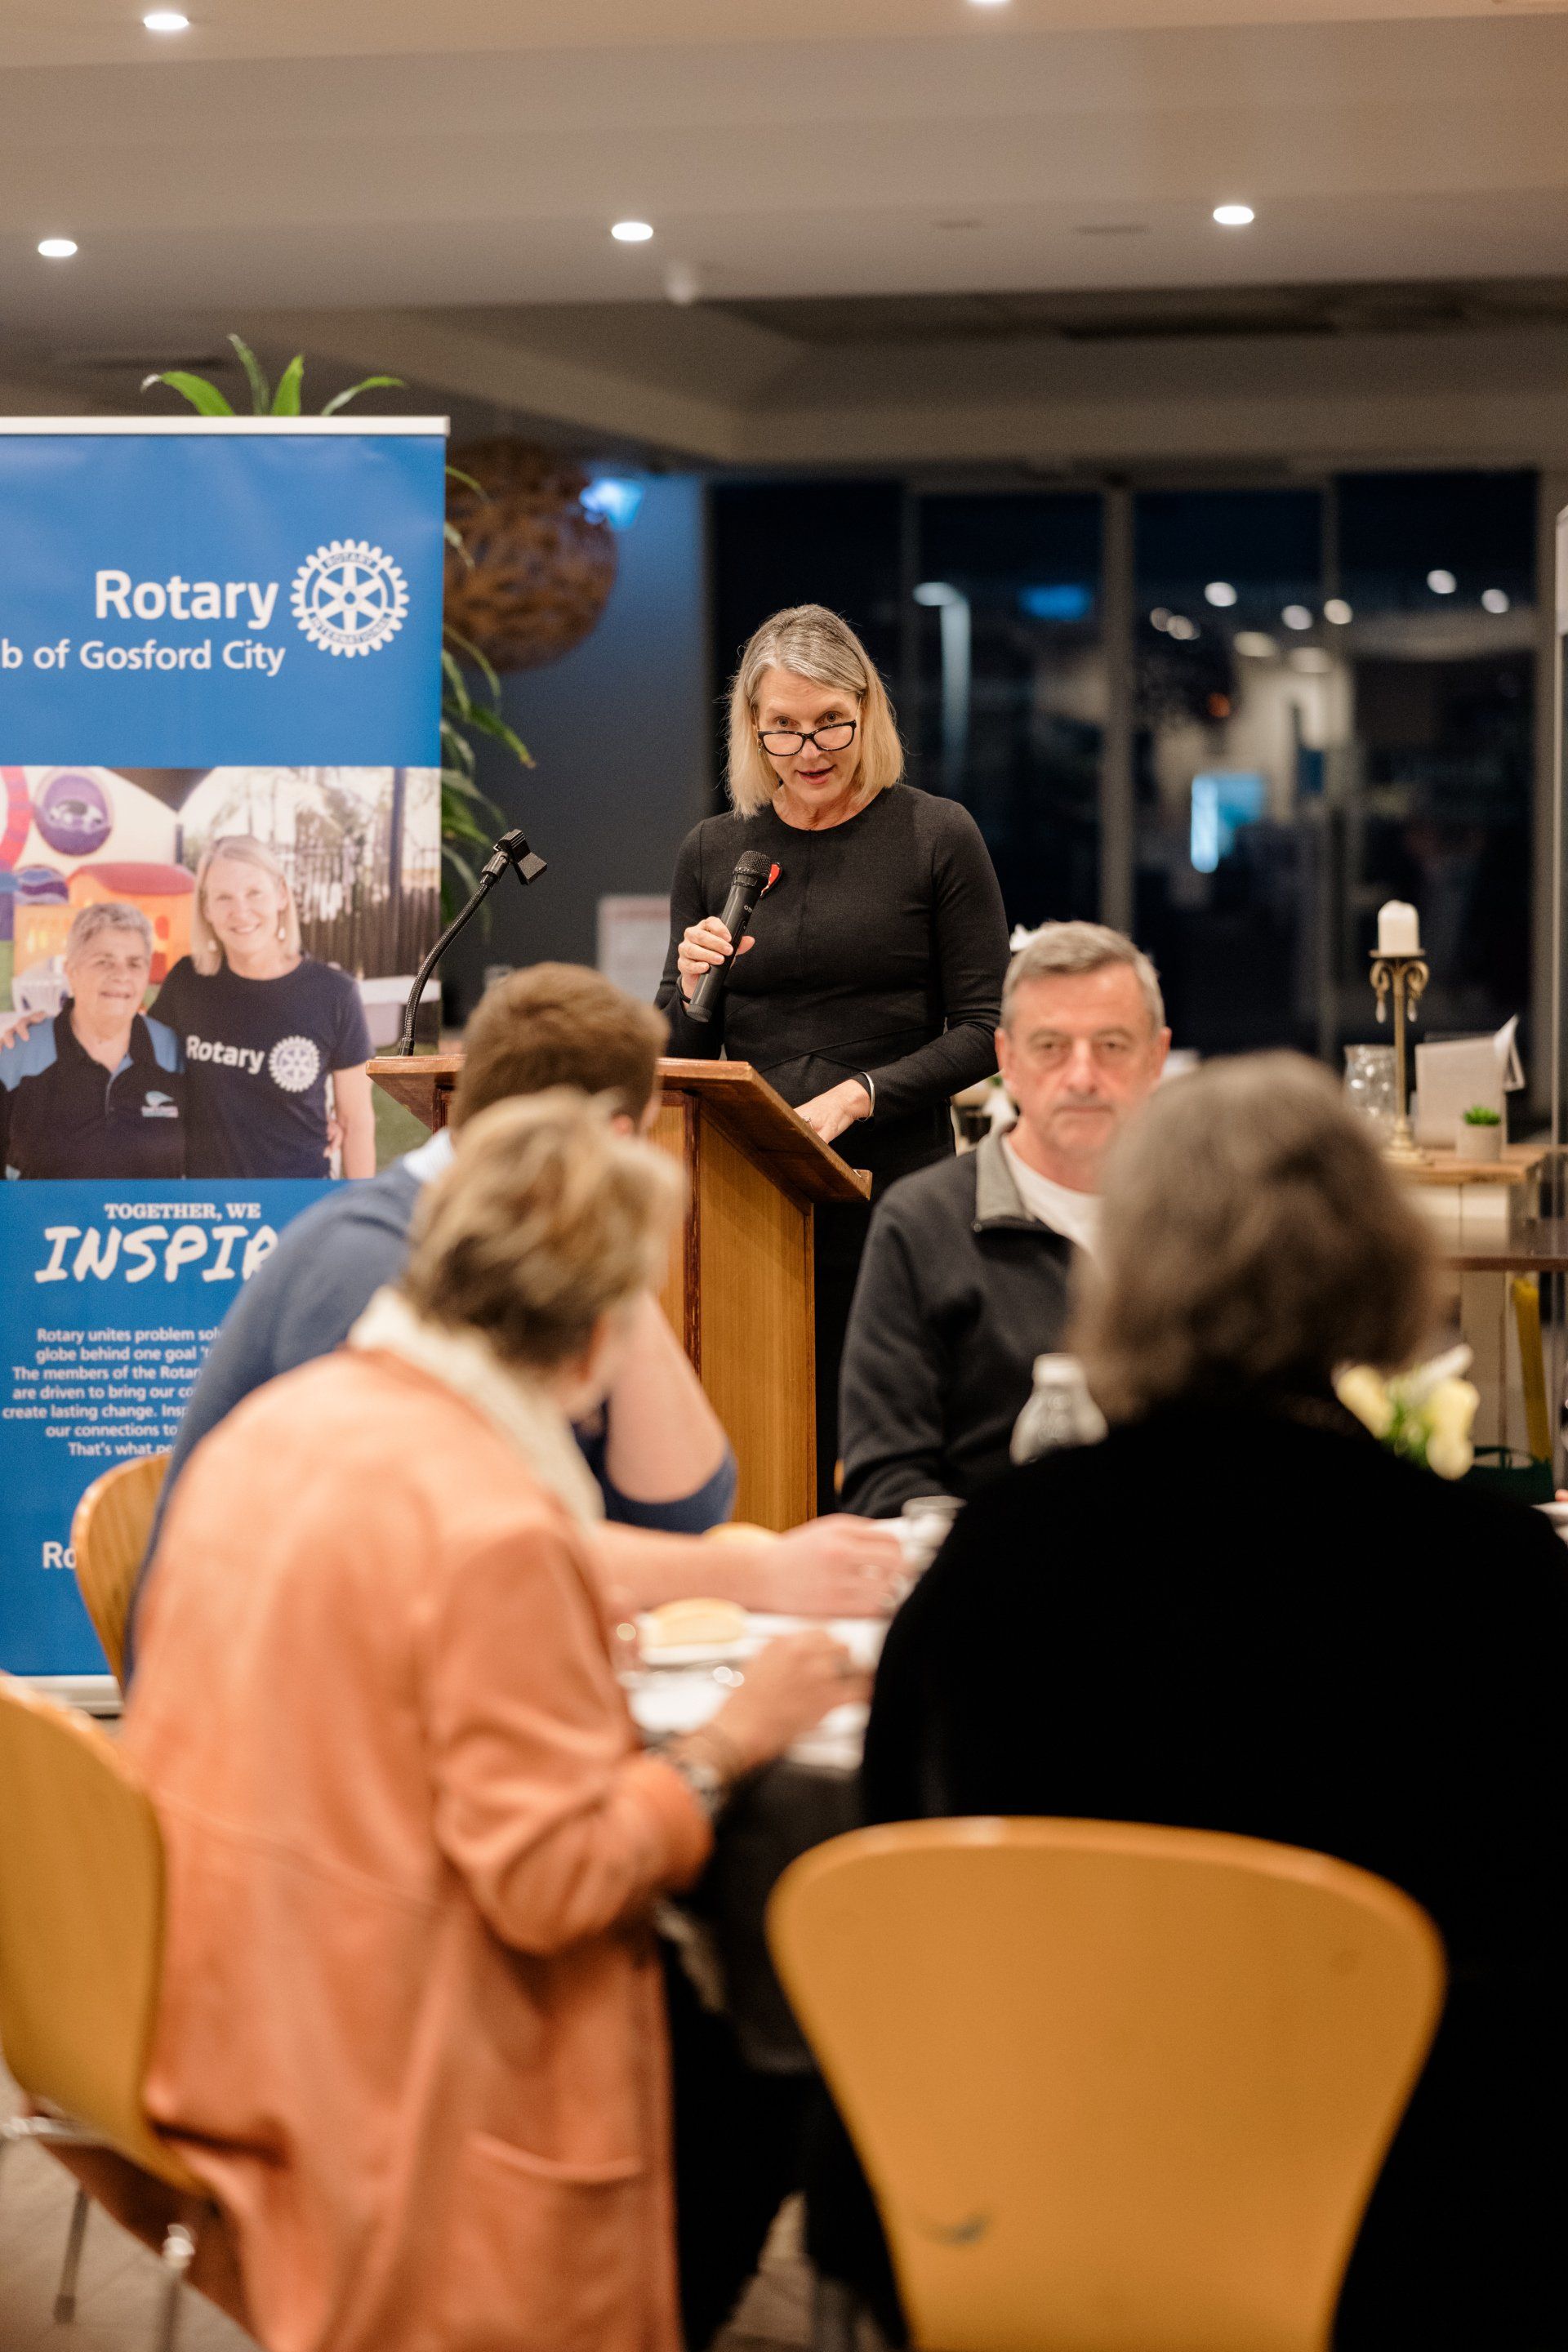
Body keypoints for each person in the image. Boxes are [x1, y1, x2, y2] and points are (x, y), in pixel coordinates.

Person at [817, 1053, 1568, 2351]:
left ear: (1131, 1269)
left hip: (1027, 2215)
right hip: (1414, 2241)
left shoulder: (997, 1568)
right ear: (1382, 1266)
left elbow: (904, 1868)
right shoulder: (1496, 1584)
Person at [123, 1091, 868, 2352]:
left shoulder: (284, 1427)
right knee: (783, 2004)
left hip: (224, 1999)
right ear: (595, 1336)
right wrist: (737, 1734)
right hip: (396, 2068)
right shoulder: (492, 1527)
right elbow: (557, 1881)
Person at [127, 963, 902, 1677]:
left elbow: (681, 1509)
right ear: (620, 1137)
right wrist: (757, 1575)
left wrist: (612, 1259)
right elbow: (461, 1545)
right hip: (280, 1714)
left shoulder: (520, 1251)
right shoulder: (370, 1266)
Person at [658, 604, 1009, 1504]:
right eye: (782, 729)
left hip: (892, 1181)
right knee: (766, 1435)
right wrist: (692, 981)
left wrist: (860, 1095)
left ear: (868, 713)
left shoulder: (935, 835)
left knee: (890, 1437)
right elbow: (685, 1051)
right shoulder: (716, 851)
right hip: (752, 1189)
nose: (808, 750)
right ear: (752, 727)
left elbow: (983, 1028)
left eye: (829, 725)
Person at [840, 921, 1169, 1515]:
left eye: (1112, 1046)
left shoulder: (1206, 1224)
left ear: (1157, 1059)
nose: (1082, 1076)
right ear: (1006, 1061)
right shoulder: (922, 1222)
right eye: (1051, 1047)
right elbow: (885, 1483)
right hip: (986, 1585)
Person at [152, 833, 374, 1178]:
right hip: (209, 1206)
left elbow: (356, 1122)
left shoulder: (335, 994)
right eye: (223, 897)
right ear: (206, 909)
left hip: (299, 1204)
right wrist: (42, 1023)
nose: (241, 911)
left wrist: (361, 1216)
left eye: (254, 893)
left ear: (281, 895)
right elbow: (133, 1059)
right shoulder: (187, 982)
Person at [0, 902, 183, 1178]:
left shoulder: (176, 1054)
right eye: (104, 962)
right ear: (72, 971)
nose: (121, 975)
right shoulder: (18, 1054)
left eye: (135, 963)